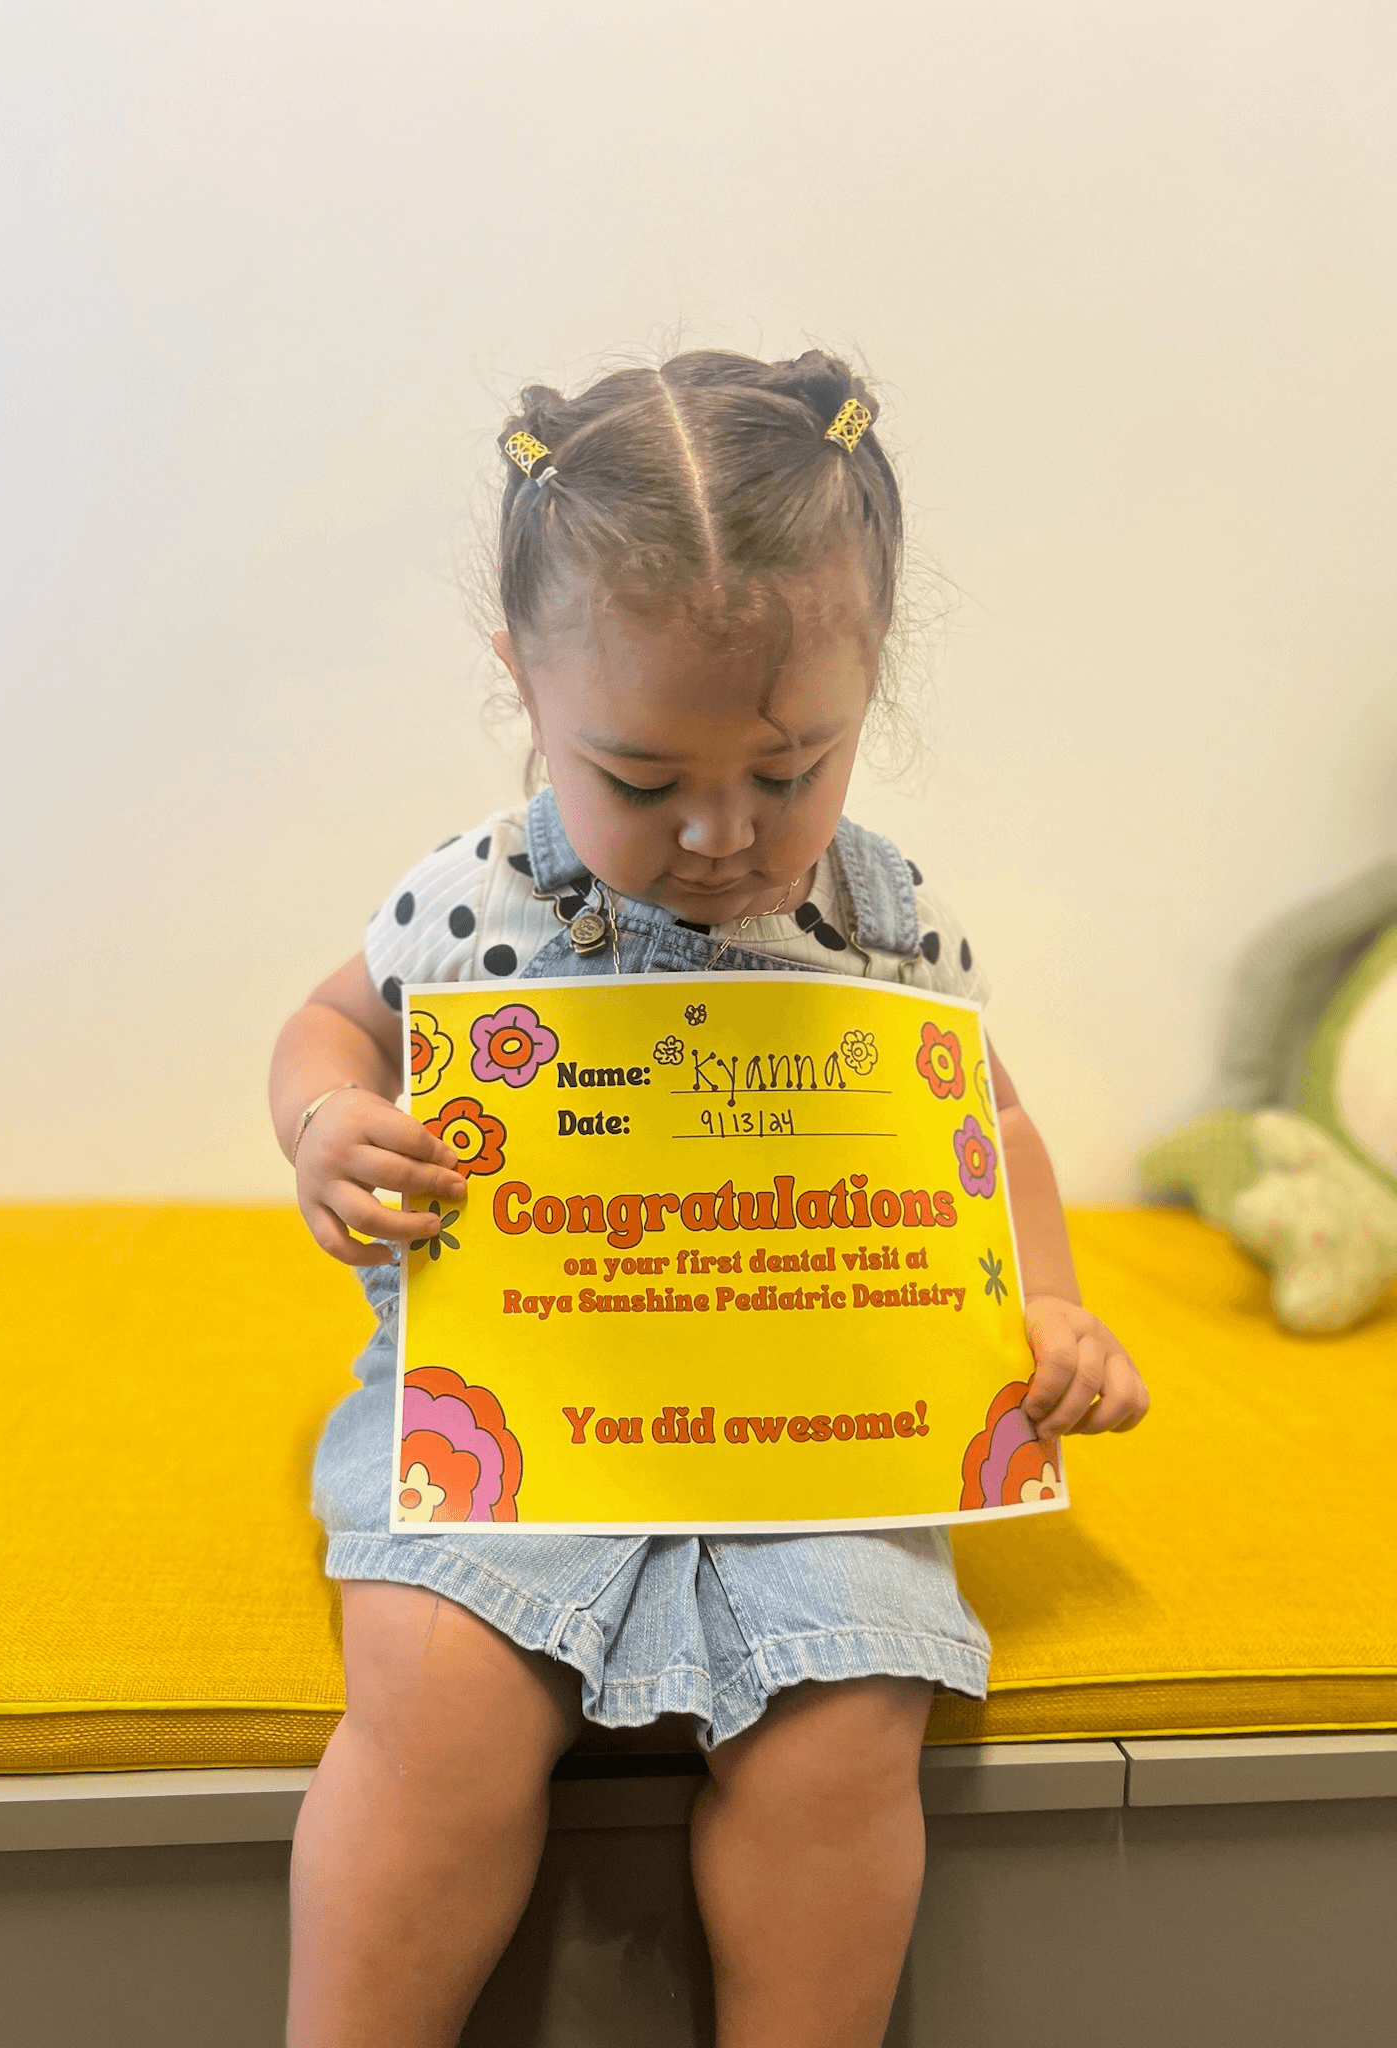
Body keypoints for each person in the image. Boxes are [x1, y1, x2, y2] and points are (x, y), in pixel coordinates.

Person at [269, 348, 1150, 2048]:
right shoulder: (473, 898)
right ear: (523, 676)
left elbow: (993, 1125)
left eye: (792, 768)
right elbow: (328, 1022)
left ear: (869, 686)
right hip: (521, 1399)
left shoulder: (890, 927)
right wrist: (323, 1121)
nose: (724, 838)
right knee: (439, 1701)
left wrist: (1045, 1304)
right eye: (644, 783)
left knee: (848, 1727)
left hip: (819, 1418)